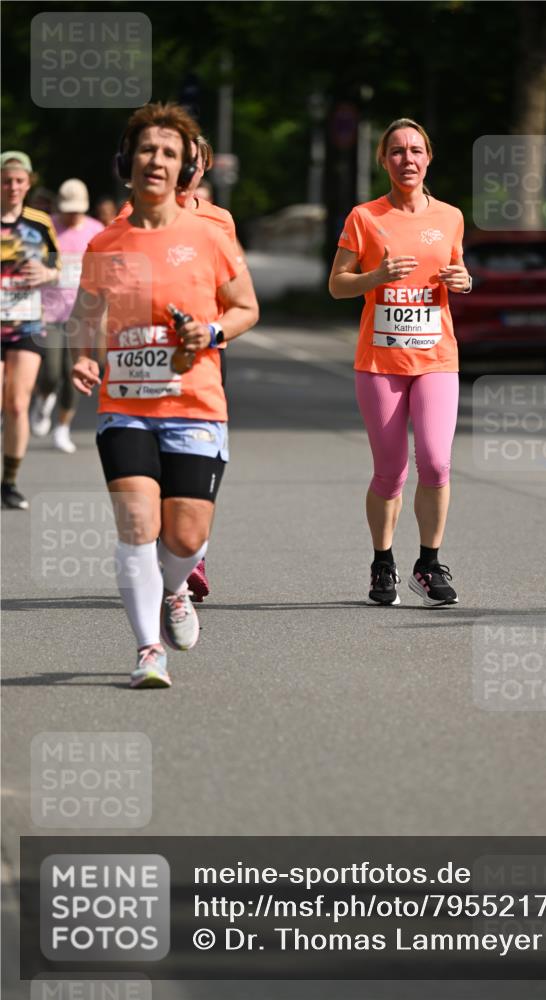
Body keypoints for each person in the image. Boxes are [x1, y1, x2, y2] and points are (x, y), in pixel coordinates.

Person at [68, 102, 259, 688]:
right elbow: (85, 315)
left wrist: (214, 331)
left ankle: (174, 586)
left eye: (170, 153)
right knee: (137, 525)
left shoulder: (209, 236)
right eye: (148, 149)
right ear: (128, 162)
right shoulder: (106, 244)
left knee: (185, 536)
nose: (157, 160)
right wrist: (81, 355)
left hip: (196, 403)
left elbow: (246, 307)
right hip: (125, 405)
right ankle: (149, 649)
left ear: (185, 169)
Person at [328, 118, 472, 607]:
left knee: (435, 461)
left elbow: (455, 270)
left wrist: (463, 281)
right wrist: (376, 276)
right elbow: (337, 284)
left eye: (415, 150)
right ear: (383, 160)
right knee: (389, 471)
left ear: (428, 157)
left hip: (437, 358)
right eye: (396, 151)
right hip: (380, 361)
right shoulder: (365, 217)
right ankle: (382, 562)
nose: (406, 159)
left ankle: (428, 565)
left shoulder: (450, 216)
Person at [116, 133, 244, 603]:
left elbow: (234, 289)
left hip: (205, 350)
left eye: (193, 161)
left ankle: (193, 552)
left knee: (194, 455)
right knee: (154, 455)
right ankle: (159, 547)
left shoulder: (218, 219)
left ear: (201, 168)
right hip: (146, 354)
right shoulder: (132, 215)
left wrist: (211, 327)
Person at [1, 151, 60, 510]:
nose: (12, 187)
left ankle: (9, 481)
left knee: (18, 404)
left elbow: (59, 265)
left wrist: (47, 274)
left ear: (28, 182)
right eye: (6, 180)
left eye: (19, 180)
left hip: (26, 322)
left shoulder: (40, 222)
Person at [31, 178, 104, 452]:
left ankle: (62, 427)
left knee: (73, 373)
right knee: (50, 372)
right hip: (49, 312)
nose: (72, 214)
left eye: (77, 209)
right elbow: (33, 264)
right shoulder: (46, 228)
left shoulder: (96, 231)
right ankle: (42, 397)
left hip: (83, 315)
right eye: (68, 209)